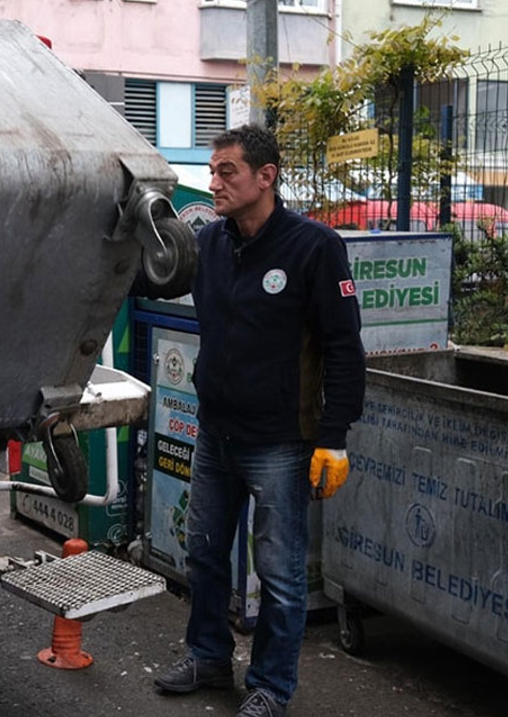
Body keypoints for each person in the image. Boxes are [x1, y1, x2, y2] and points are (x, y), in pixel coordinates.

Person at [152, 125, 365, 717]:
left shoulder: (314, 248)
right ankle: (208, 656)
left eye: (227, 172)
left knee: (279, 572)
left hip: (281, 443)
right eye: (214, 171)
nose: (215, 182)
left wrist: (335, 438)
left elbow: (345, 347)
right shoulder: (213, 244)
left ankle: (271, 685)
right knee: (203, 553)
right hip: (216, 433)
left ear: (266, 177)